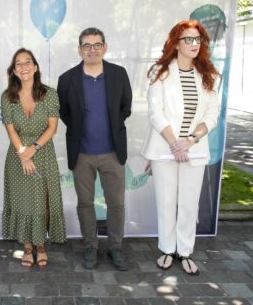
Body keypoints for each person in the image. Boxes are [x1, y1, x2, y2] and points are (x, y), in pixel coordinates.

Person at [141, 19, 219, 275]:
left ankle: (185, 251)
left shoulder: (208, 73)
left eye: (198, 39)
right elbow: (156, 112)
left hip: (194, 148)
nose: (194, 44)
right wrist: (176, 143)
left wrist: (190, 141)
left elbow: (212, 113)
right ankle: (167, 249)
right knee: (166, 200)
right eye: (188, 39)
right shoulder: (160, 73)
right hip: (166, 148)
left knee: (188, 203)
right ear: (176, 43)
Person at [57, 27, 132, 270]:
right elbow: (65, 112)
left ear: (105, 47)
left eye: (97, 44)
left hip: (112, 152)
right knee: (85, 203)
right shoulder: (66, 79)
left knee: (116, 203)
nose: (92, 49)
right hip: (82, 153)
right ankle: (90, 246)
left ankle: (115, 247)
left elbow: (125, 108)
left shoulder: (119, 74)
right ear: (79, 49)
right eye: (87, 45)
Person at [1, 48, 66, 268]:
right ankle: (27, 246)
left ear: (35, 67)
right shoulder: (7, 97)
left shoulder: (49, 93)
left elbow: (52, 128)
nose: (24, 67)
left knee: (42, 203)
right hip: (18, 155)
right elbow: (10, 130)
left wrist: (34, 149)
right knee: (23, 202)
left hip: (43, 153)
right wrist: (23, 154)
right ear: (14, 70)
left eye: (27, 62)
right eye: (18, 63)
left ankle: (41, 245)